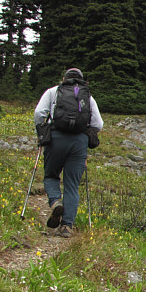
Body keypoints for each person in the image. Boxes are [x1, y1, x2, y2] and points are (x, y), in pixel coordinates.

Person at [34, 68, 103, 237]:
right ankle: (67, 226)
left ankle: (56, 201)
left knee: (51, 175)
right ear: (81, 80)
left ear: (64, 78)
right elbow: (98, 124)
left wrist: (42, 132)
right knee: (72, 185)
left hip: (56, 138)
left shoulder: (53, 91)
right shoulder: (88, 96)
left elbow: (38, 113)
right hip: (79, 142)